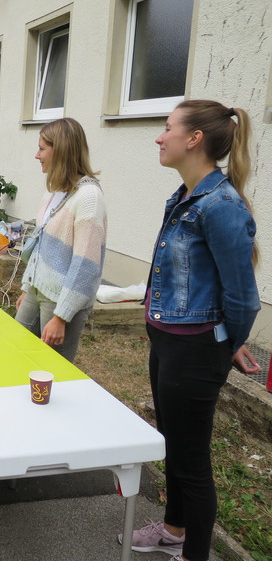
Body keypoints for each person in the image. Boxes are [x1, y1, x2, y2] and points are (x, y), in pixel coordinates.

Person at [120, 101, 261, 561]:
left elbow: (243, 297)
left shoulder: (220, 206)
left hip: (194, 351)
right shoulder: (185, 196)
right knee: (174, 447)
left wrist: (225, 344)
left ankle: (193, 553)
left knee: (191, 461)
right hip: (170, 344)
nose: (159, 137)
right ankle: (173, 530)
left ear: (195, 139)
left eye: (168, 128)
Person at [14, 118, 107, 362]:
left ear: (61, 151)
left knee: (53, 368)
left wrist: (62, 316)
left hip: (61, 302)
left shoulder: (89, 197)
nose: (37, 155)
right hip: (37, 290)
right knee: (16, 354)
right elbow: (41, 245)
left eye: (42, 148)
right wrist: (27, 287)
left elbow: (86, 265)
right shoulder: (54, 190)